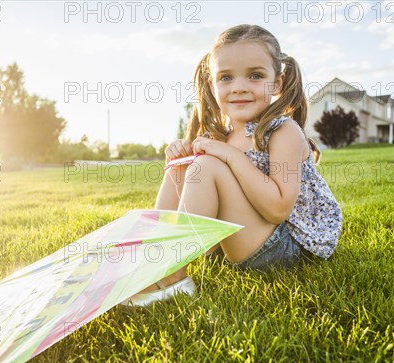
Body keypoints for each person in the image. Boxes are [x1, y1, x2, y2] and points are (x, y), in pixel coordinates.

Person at [121, 24, 342, 307]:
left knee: (207, 167)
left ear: (276, 83)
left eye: (255, 75)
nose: (239, 87)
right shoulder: (220, 136)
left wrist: (229, 156)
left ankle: (173, 279)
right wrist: (177, 163)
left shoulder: (283, 132)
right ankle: (154, 261)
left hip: (287, 246)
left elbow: (277, 209)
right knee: (187, 166)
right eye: (226, 77)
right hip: (238, 241)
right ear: (213, 85)